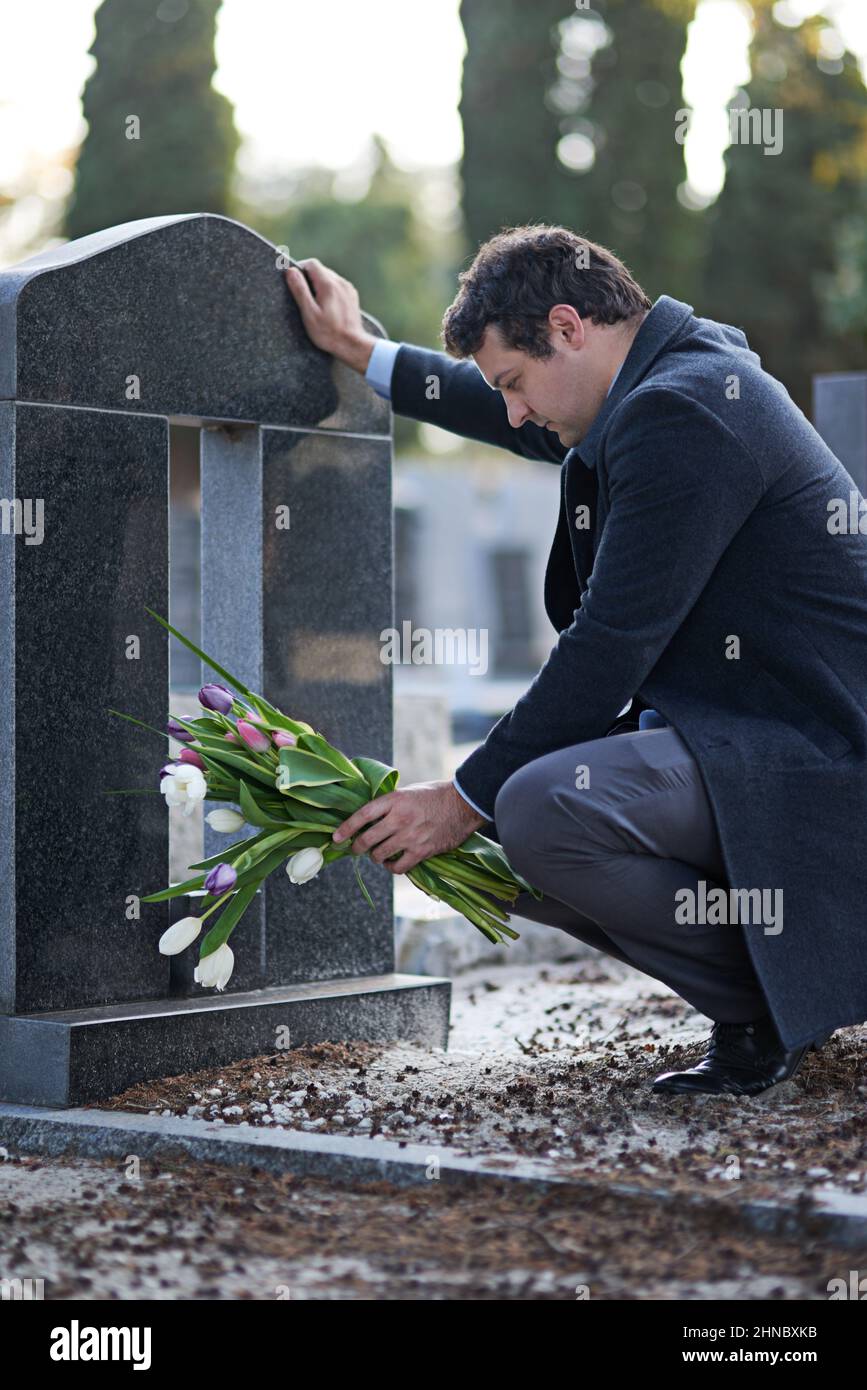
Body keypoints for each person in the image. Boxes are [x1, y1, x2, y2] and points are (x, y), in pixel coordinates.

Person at [284, 224, 867, 1098]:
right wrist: (362, 350)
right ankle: (783, 991)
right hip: (761, 739)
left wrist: (459, 797)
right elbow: (506, 412)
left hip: (824, 761)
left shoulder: (687, 410)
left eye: (516, 383)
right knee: (508, 830)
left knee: (542, 809)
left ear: (566, 326)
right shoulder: (661, 379)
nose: (516, 412)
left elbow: (611, 642)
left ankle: (776, 1000)